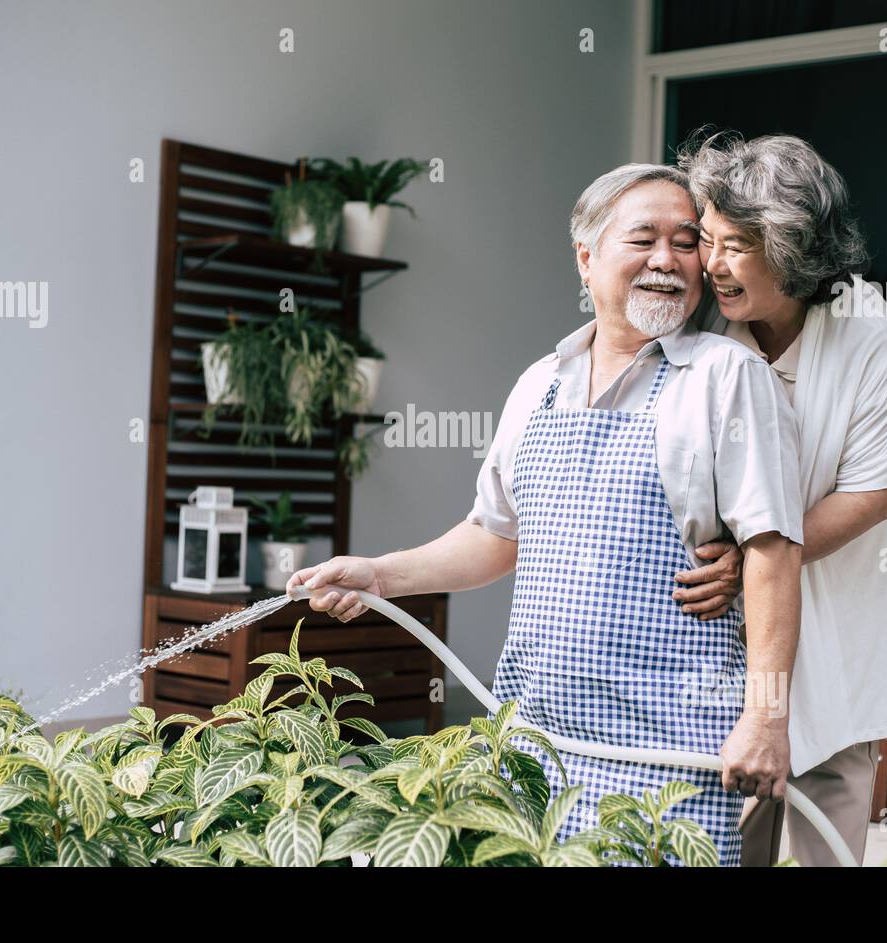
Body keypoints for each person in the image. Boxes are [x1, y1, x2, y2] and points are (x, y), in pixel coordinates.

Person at [288, 163, 806, 866]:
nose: (668, 260)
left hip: (667, 748)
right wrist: (379, 573)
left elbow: (774, 551)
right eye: (643, 239)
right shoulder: (539, 384)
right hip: (534, 743)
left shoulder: (726, 379)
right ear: (586, 258)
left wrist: (767, 717)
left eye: (687, 243)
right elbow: (492, 536)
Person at [678, 133, 887, 866]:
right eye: (709, 239)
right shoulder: (704, 319)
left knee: (835, 783)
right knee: (733, 796)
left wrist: (756, 561)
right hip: (732, 604)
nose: (712, 264)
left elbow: (874, 492)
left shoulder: (871, 333)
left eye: (737, 246)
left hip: (849, 576)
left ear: (792, 251)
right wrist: (739, 571)